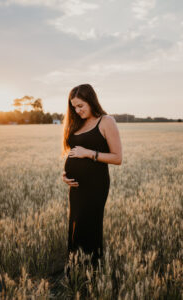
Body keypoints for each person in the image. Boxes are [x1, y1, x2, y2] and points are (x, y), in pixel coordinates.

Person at [62, 83, 122, 268]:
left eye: (81, 105)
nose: (77, 110)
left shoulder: (106, 121)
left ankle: (91, 272)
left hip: (95, 186)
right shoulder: (77, 123)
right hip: (76, 188)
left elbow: (117, 158)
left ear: (91, 101)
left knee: (87, 227)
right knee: (75, 226)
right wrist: (66, 174)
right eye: (74, 107)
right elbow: (73, 152)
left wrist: (89, 153)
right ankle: (75, 270)